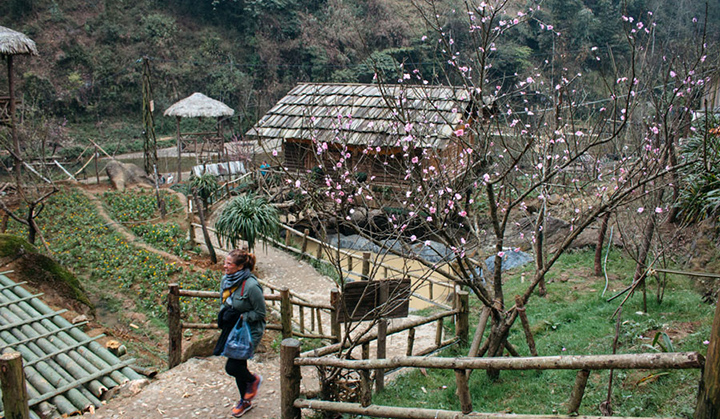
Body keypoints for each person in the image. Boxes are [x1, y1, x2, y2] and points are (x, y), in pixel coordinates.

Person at [213, 249, 266, 417]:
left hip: (249, 331)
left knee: (233, 366)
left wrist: (242, 316)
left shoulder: (250, 286)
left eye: (229, 264)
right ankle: (245, 401)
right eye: (225, 262)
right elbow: (224, 301)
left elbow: (260, 313)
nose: (225, 266)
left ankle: (253, 380)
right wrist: (225, 315)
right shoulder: (226, 281)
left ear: (241, 266)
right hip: (233, 328)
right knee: (239, 365)